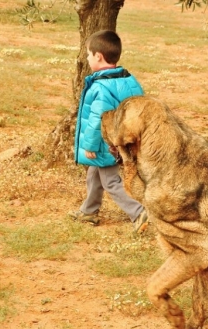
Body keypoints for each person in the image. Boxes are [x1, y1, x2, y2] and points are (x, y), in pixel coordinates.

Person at [68, 30, 148, 233]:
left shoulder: (101, 88)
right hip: (122, 140)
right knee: (94, 175)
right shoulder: (128, 80)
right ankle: (89, 210)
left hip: (104, 144)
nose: (86, 58)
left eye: (88, 54)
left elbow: (97, 120)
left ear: (98, 56)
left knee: (111, 181)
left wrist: (89, 145)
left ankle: (138, 212)